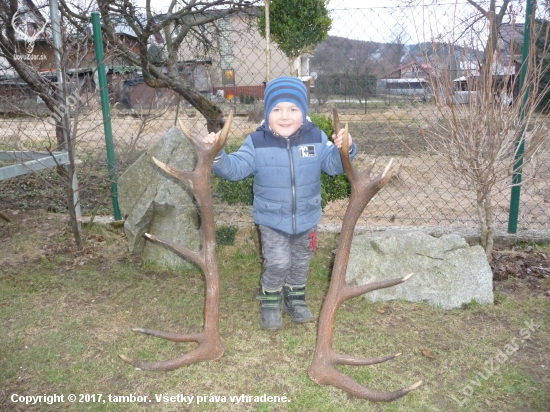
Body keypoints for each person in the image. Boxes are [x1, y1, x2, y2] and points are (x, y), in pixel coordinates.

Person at [204, 76, 355, 330]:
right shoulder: (256, 141)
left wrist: (345, 149)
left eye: (293, 109)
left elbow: (334, 165)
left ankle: (295, 298)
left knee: (300, 261)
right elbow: (235, 169)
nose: (285, 116)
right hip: (271, 220)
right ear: (267, 112)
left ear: (303, 112)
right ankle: (270, 299)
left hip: (307, 218)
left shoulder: (316, 138)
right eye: (277, 109)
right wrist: (217, 154)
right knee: (277, 262)